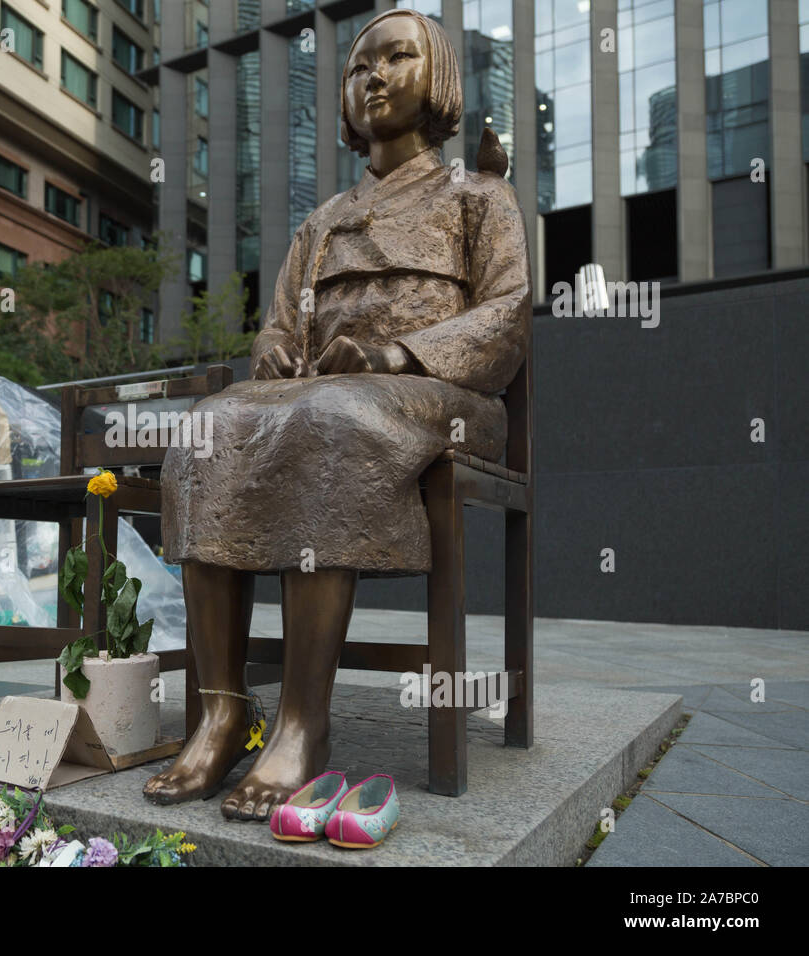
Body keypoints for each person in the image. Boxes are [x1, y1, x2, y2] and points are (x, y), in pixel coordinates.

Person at [145, 8, 531, 821]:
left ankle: (300, 724)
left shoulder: (478, 196)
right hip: (326, 392)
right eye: (361, 67)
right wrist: (275, 354)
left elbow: (508, 314)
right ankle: (221, 710)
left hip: (446, 400)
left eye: (398, 59)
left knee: (328, 415)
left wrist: (397, 356)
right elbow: (282, 324)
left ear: (440, 80)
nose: (376, 77)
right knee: (207, 427)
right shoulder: (319, 223)